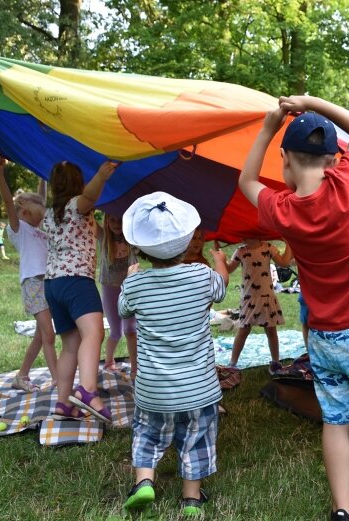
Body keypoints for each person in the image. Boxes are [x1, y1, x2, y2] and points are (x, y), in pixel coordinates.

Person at [239, 95, 349, 521]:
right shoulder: (347, 182)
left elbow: (247, 181)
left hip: (323, 336)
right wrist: (308, 102)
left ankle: (344, 509)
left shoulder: (282, 211)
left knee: (336, 421)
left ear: (285, 159)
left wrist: (268, 128)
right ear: (332, 157)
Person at [119, 192, 228, 517]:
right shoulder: (201, 276)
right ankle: (191, 499)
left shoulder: (138, 284)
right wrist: (221, 265)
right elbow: (220, 291)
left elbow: (124, 310)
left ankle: (144, 482)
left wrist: (129, 280)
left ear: (139, 248)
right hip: (199, 389)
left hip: (152, 388)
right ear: (186, 241)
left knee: (147, 433)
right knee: (196, 439)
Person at [42, 159, 117, 422]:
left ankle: (63, 404)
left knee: (70, 346)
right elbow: (88, 197)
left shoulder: (50, 214)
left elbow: (92, 233)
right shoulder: (78, 205)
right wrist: (101, 176)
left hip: (53, 284)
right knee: (94, 333)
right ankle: (87, 391)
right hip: (76, 281)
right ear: (78, 183)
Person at [0, 155, 57, 392]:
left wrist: (41, 171)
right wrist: (0, 173)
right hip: (33, 283)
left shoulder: (39, 228)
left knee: (41, 336)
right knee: (48, 333)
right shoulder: (18, 229)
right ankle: (59, 379)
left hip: (47, 282)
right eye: (38, 215)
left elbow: (42, 196)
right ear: (25, 212)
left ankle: (21, 375)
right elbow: (9, 203)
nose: (42, 218)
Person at [226, 238, 293, 372]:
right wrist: (219, 254)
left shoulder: (268, 248)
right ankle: (232, 364)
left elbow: (284, 263)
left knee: (271, 331)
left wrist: (288, 243)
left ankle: (275, 362)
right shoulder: (241, 251)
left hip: (266, 297)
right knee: (243, 330)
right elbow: (228, 269)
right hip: (249, 298)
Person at [98, 213, 138, 379]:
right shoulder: (103, 236)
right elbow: (89, 219)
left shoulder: (133, 237)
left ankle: (135, 369)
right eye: (112, 219)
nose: (116, 223)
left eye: (120, 219)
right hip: (110, 289)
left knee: (130, 329)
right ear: (107, 220)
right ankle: (108, 362)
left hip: (129, 288)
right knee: (116, 332)